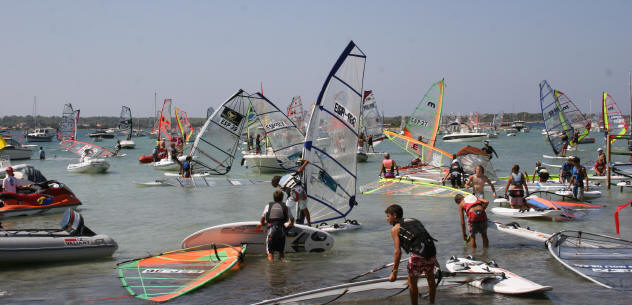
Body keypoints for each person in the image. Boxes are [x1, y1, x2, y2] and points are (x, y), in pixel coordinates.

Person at [385, 204, 439, 305]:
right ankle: (432, 303)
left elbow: (398, 252)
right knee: (430, 278)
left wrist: (394, 271)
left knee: (412, 283)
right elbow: (426, 237)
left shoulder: (395, 229)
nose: (387, 219)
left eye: (388, 216)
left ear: (395, 215)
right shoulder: (414, 220)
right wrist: (434, 257)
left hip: (418, 255)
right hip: (430, 251)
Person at [271, 160, 311, 226]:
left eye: (277, 186)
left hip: (294, 194)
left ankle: (290, 222)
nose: (278, 187)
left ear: (277, 183)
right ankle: (309, 224)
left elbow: (287, 193)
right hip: (302, 191)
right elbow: (299, 170)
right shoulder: (289, 175)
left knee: (286, 208)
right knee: (304, 208)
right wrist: (305, 163)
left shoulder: (281, 185)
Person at [259, 190, 294, 262]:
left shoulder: (268, 206)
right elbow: (292, 220)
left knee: (270, 253)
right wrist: (288, 225)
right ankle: (281, 270)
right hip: (282, 231)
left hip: (271, 231)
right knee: (281, 253)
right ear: (282, 198)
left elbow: (262, 219)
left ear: (274, 198)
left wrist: (264, 224)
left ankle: (272, 270)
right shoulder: (286, 207)